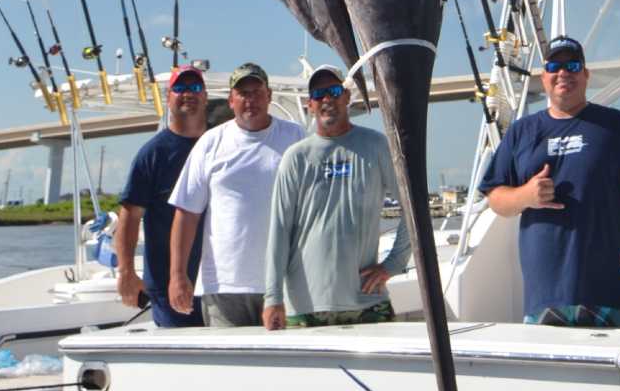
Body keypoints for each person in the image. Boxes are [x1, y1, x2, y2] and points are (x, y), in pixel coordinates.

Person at [480, 35, 620, 328]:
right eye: (554, 66)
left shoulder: (617, 126)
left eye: (572, 66)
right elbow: (496, 198)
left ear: (585, 75)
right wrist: (526, 196)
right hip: (546, 295)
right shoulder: (522, 131)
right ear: (543, 76)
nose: (564, 73)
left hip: (613, 288)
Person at [262, 66, 412, 329]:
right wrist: (272, 297)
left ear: (346, 97)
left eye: (333, 91)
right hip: (305, 307)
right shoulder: (295, 157)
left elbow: (412, 210)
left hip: (367, 303)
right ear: (310, 105)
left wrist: (393, 264)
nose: (327, 99)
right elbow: (279, 230)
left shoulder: (377, 146)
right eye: (319, 95)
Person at [168, 62, 302, 327]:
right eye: (243, 93)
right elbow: (186, 213)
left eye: (257, 91)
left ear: (269, 96)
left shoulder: (296, 136)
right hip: (223, 287)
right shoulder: (210, 142)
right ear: (231, 100)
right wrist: (178, 275)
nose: (250, 99)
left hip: (285, 283)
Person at [113, 65, 209, 326]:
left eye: (195, 87)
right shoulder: (152, 154)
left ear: (205, 96)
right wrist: (127, 272)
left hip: (220, 285)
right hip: (171, 289)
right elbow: (130, 216)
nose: (188, 93)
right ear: (168, 98)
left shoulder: (220, 143)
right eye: (180, 88)